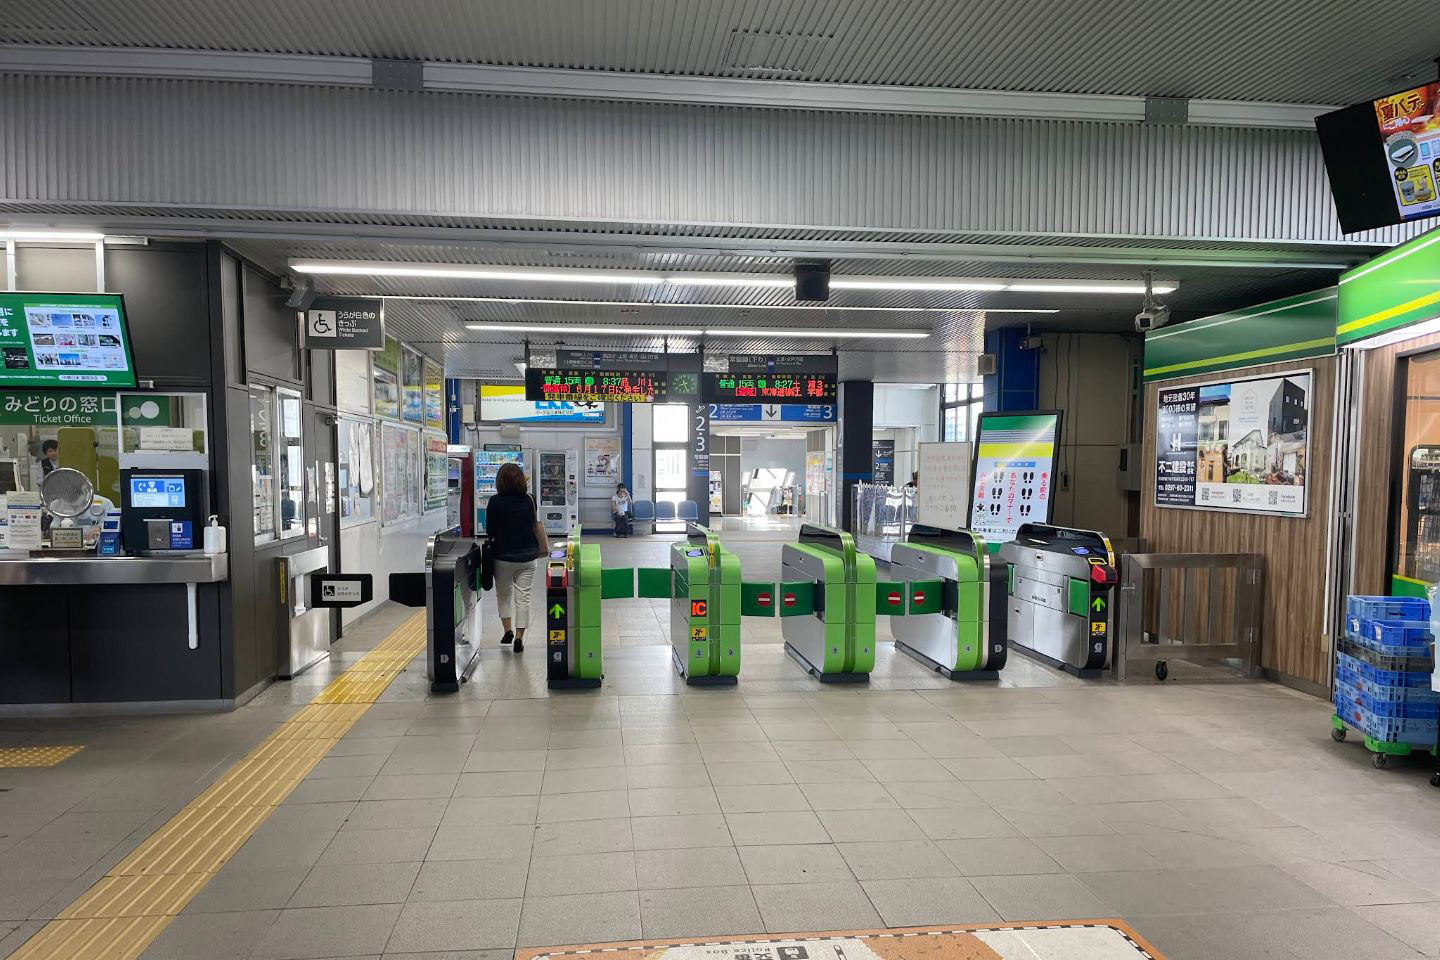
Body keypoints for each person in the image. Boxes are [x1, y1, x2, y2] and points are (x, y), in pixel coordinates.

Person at [485, 462, 548, 652]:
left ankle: (508, 631)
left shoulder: (494, 502)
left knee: (504, 594)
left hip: (502, 557)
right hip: (527, 557)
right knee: (523, 597)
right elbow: (532, 523)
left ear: (500, 482)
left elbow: (490, 531)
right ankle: (519, 637)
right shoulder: (529, 500)